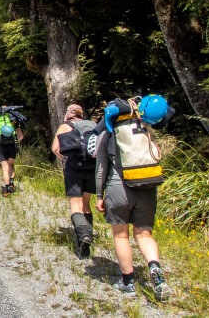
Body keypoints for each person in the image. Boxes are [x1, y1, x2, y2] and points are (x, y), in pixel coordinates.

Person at [94, 96, 175, 301]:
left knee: (121, 236)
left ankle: (128, 283)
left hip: (118, 186)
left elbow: (101, 168)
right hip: (146, 187)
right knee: (144, 235)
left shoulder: (108, 133)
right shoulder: (145, 128)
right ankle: (155, 268)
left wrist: (99, 195)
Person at [51, 104, 96, 258]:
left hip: (74, 168)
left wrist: (65, 158)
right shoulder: (92, 125)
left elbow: (55, 148)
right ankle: (89, 234)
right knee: (86, 204)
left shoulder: (65, 126)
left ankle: (84, 237)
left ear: (68, 114)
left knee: (75, 205)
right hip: (91, 169)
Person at [0, 105, 24, 196]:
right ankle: (12, 184)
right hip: (12, 145)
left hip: (1, 145)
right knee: (11, 165)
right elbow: (21, 136)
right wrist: (16, 142)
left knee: (5, 167)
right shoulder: (13, 119)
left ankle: (7, 188)